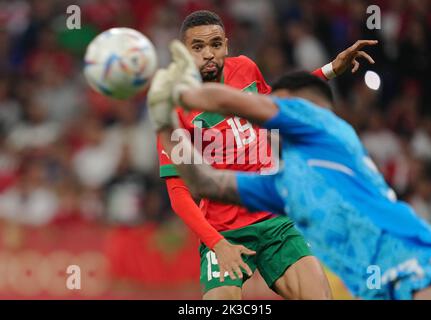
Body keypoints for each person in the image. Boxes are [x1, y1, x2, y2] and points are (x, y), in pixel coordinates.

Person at [147, 40, 431, 300]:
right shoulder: (281, 187)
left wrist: (180, 95)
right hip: (375, 275)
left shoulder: (330, 133)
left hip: (413, 257)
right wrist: (165, 121)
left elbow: (259, 103)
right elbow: (205, 184)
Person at [157, 10, 377, 300]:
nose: (208, 53)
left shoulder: (245, 69)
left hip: (274, 216)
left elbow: (276, 107)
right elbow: (178, 192)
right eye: (197, 47)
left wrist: (330, 69)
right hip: (223, 229)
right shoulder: (172, 109)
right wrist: (218, 244)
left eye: (215, 44)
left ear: (226, 44)